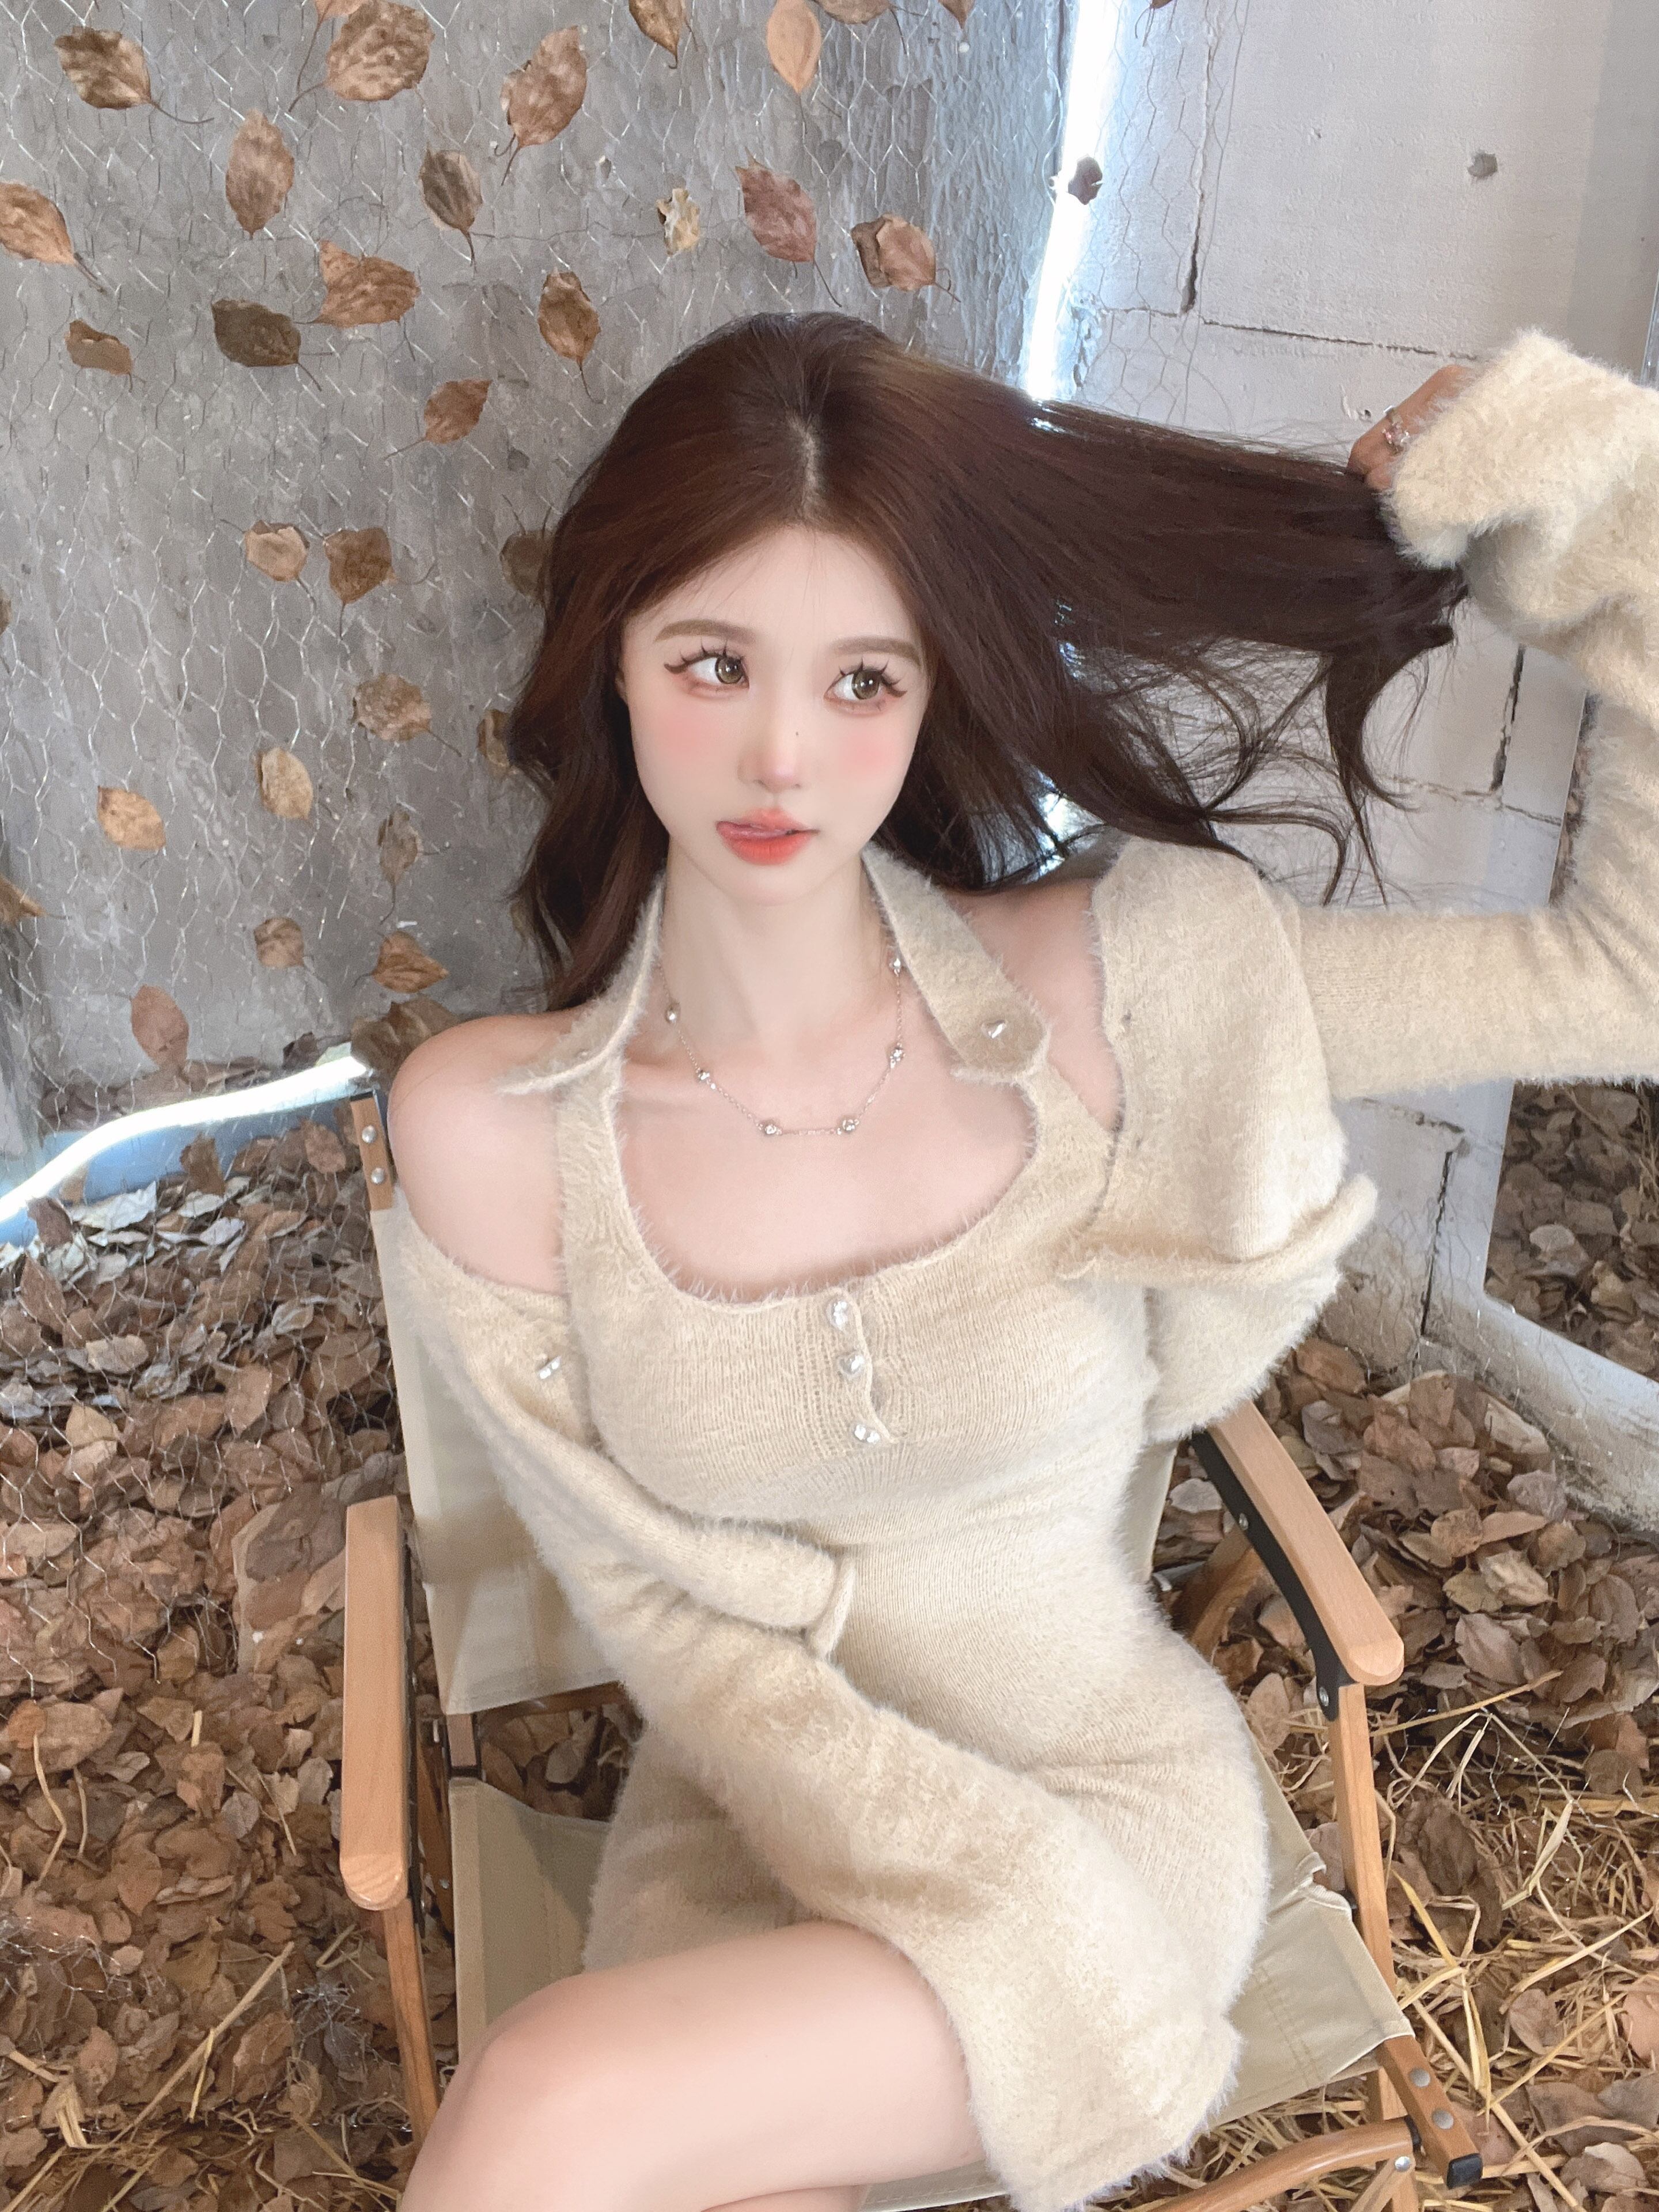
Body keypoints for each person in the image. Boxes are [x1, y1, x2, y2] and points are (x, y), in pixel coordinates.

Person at [381, 311, 1659, 2212]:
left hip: (1094, 1812)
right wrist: (907, 1863)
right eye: (715, 662)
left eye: (864, 682)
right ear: (612, 665)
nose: (781, 754)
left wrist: (1594, 497)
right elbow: (669, 1626)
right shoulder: (494, 1127)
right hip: (751, 1823)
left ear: (930, 699)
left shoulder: (1120, 995)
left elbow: (1626, 976)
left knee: (555, 2093)